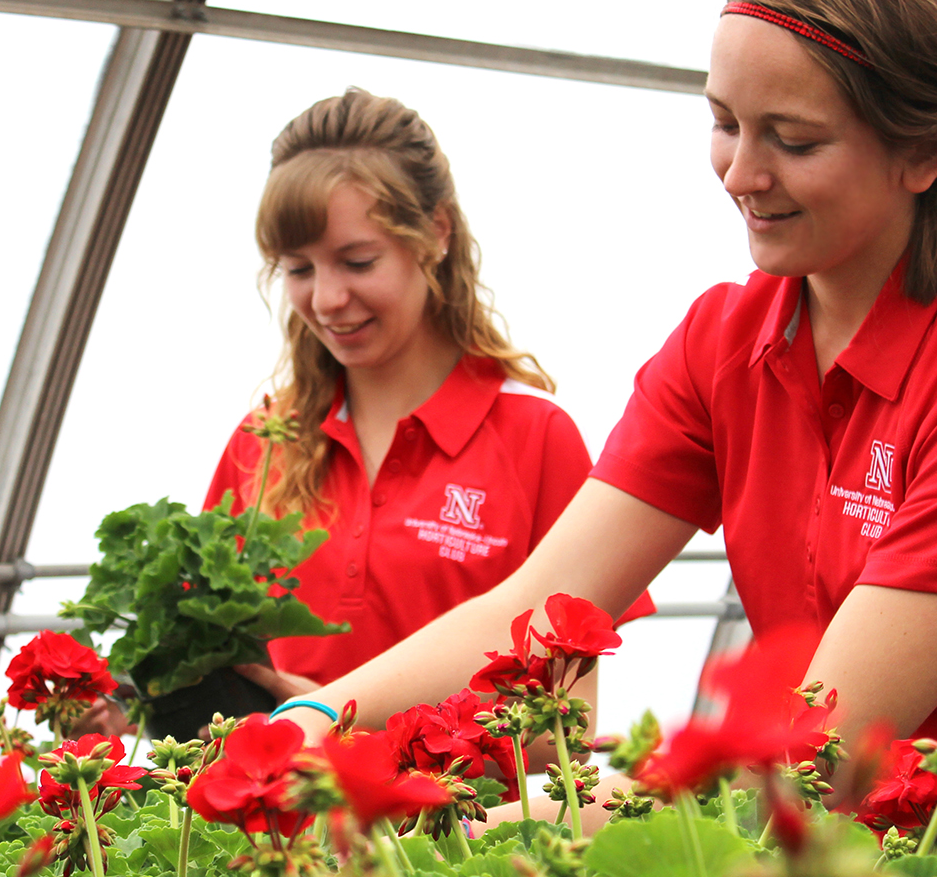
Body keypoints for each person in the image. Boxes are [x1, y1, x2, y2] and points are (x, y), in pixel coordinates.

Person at [273, 0, 937, 817]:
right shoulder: (725, 342)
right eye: (724, 123)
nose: (741, 173)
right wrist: (312, 718)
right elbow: (544, 601)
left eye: (794, 139)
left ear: (926, 152)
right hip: (846, 858)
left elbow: (824, 749)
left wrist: (505, 822)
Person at [207, 89, 653, 706]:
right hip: (285, 801)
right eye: (299, 270)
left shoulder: (536, 439)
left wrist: (328, 721)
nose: (328, 299)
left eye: (357, 261)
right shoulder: (263, 441)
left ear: (435, 233)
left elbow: (564, 733)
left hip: (460, 805)